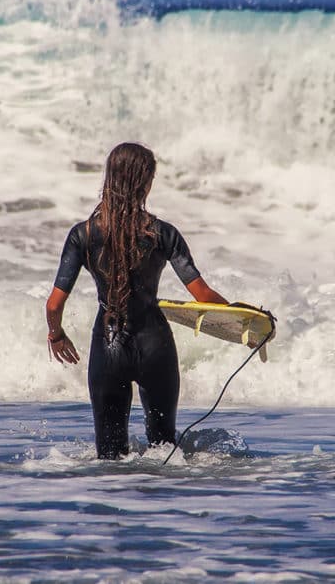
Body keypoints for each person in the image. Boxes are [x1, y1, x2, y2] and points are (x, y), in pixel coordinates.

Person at [45, 142, 228, 459]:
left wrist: (56, 334)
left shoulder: (82, 235)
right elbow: (203, 296)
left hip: (108, 346)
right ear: (145, 182)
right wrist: (244, 318)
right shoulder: (163, 233)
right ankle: (155, 507)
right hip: (156, 346)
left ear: (110, 179)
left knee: (109, 457)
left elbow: (53, 305)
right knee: (164, 451)